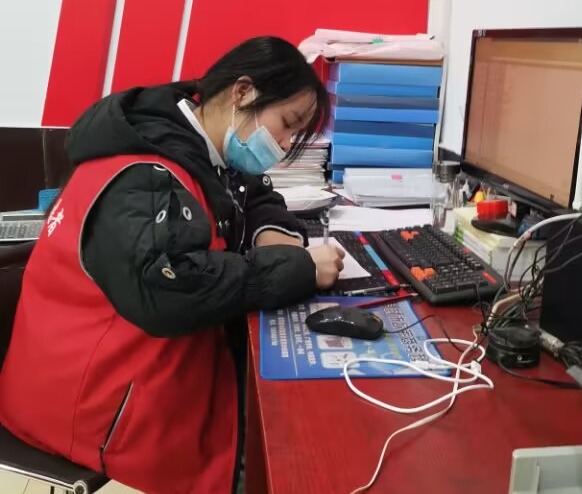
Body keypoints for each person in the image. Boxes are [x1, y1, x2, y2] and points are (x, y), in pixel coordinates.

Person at [0, 37, 344, 494]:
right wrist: (296, 269)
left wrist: (271, 234)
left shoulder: (198, 146)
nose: (283, 146)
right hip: (89, 414)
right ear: (243, 92)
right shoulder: (142, 175)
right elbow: (170, 290)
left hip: (148, 384)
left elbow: (253, 194)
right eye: (287, 124)